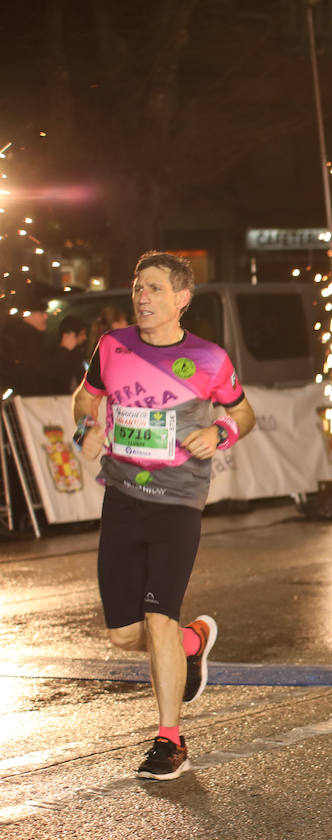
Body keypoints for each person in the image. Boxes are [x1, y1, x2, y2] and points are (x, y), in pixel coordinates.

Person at [71, 251, 257, 779]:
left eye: (153, 288)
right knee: (125, 637)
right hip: (123, 499)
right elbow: (86, 400)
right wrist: (87, 428)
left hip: (179, 501)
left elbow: (242, 410)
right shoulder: (112, 346)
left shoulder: (209, 358)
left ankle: (170, 739)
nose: (142, 296)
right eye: (137, 287)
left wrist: (221, 431)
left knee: (157, 620)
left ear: (181, 299)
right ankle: (192, 641)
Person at [51, 314, 89, 394]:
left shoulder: (76, 356)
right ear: (70, 334)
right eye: (82, 334)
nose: (84, 338)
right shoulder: (60, 359)